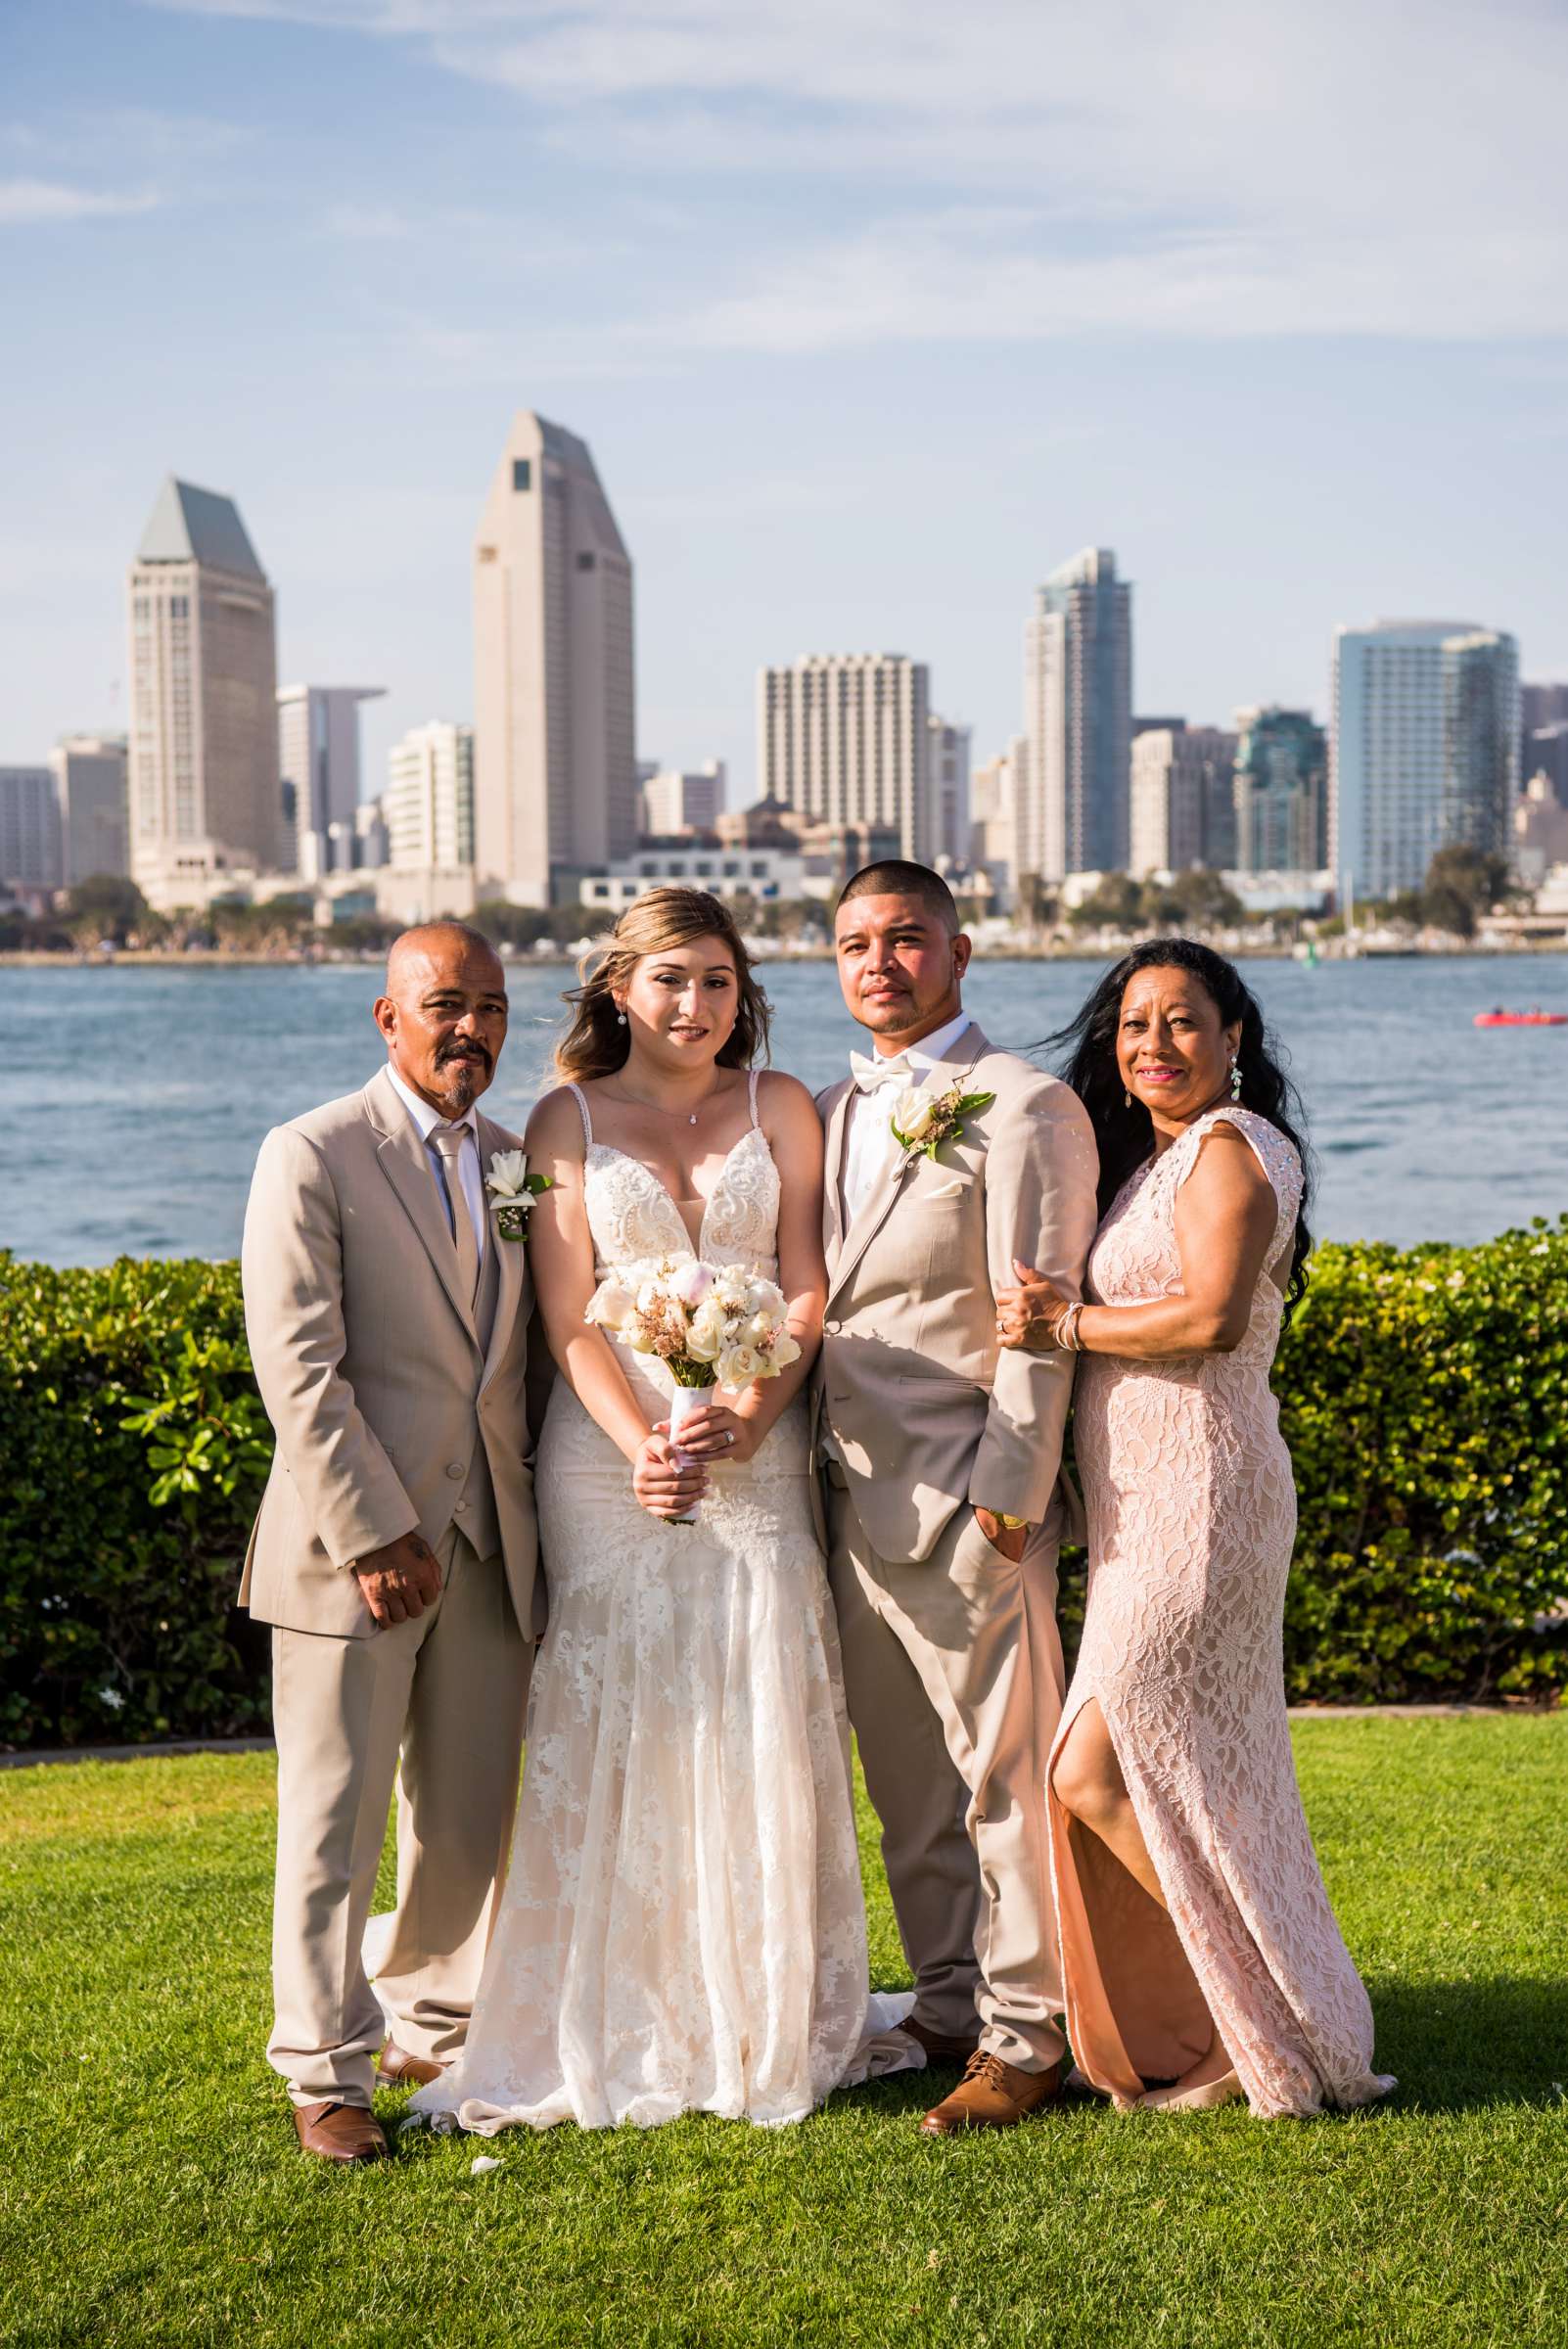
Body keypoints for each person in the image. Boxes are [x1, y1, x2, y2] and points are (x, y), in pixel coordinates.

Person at [410, 889, 915, 2136]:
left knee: (758, 1696)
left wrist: (746, 1412)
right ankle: (617, 2006)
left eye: (721, 984)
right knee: (623, 1705)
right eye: (674, 981)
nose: (698, 1007)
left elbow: (804, 1282)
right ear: (620, 990)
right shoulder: (562, 1120)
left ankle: (756, 2009)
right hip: (606, 1461)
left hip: (759, 1443)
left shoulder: (780, 1105)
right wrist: (644, 1445)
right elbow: (568, 1315)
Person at [996, 939, 1396, 2118]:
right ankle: (1263, 2016)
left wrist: (1065, 1328)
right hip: (1142, 1505)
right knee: (1198, 1773)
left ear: (1235, 1041)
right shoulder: (1157, 1163)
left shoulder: (1229, 1149)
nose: (1153, 1045)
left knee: (1094, 1765)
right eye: (1133, 1025)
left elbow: (1216, 1317)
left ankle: (1279, 2017)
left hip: (1204, 1499)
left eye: (1182, 1023)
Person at [240, 922, 541, 2165]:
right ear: (388, 1018)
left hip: (488, 1548)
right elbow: (299, 1368)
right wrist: (376, 1534)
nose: (467, 1027)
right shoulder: (309, 1153)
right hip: (353, 1553)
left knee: (467, 1821)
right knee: (333, 1823)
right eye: (442, 1005)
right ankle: (323, 2069)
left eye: (487, 1006)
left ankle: (426, 2023)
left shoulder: (522, 1162)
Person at [816, 862, 1100, 2135]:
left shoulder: (1023, 1106)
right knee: (906, 1791)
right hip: (836, 1507)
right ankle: (943, 1998)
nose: (880, 962)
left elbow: (1036, 1323)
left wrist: (1011, 1497)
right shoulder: (817, 1112)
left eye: (906, 939)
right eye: (855, 944)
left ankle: (1028, 2034)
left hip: (964, 1505)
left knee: (1002, 1787)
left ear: (960, 949)